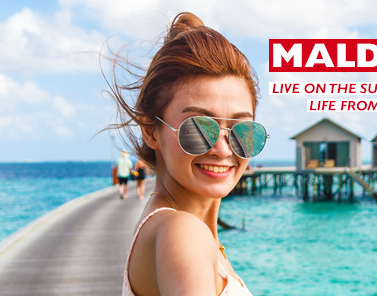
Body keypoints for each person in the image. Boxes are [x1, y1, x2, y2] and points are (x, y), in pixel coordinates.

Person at [106, 12, 268, 295]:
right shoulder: (183, 232)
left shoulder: (173, 228)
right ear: (150, 130)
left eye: (243, 131)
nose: (221, 149)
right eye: (198, 128)